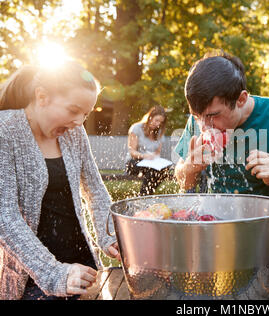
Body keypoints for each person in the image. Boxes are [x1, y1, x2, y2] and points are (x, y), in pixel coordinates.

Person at [174, 51, 269, 261]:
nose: (204, 126)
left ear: (241, 99)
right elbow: (181, 179)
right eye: (197, 116)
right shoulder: (200, 119)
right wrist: (190, 167)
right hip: (214, 238)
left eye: (213, 116)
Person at [0, 61, 121, 300]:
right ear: (42, 96)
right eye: (74, 110)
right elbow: (5, 216)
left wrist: (109, 235)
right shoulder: (5, 131)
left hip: (83, 269)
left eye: (86, 114)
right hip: (33, 278)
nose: (79, 122)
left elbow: (95, 190)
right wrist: (54, 273)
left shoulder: (74, 132)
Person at [126, 105, 173, 195]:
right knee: (152, 171)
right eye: (156, 120)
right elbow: (132, 151)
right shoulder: (136, 128)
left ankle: (146, 195)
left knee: (164, 170)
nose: (158, 124)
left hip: (150, 163)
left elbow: (157, 153)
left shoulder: (159, 133)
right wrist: (144, 156)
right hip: (134, 162)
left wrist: (155, 157)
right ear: (150, 117)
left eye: (161, 122)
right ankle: (144, 196)